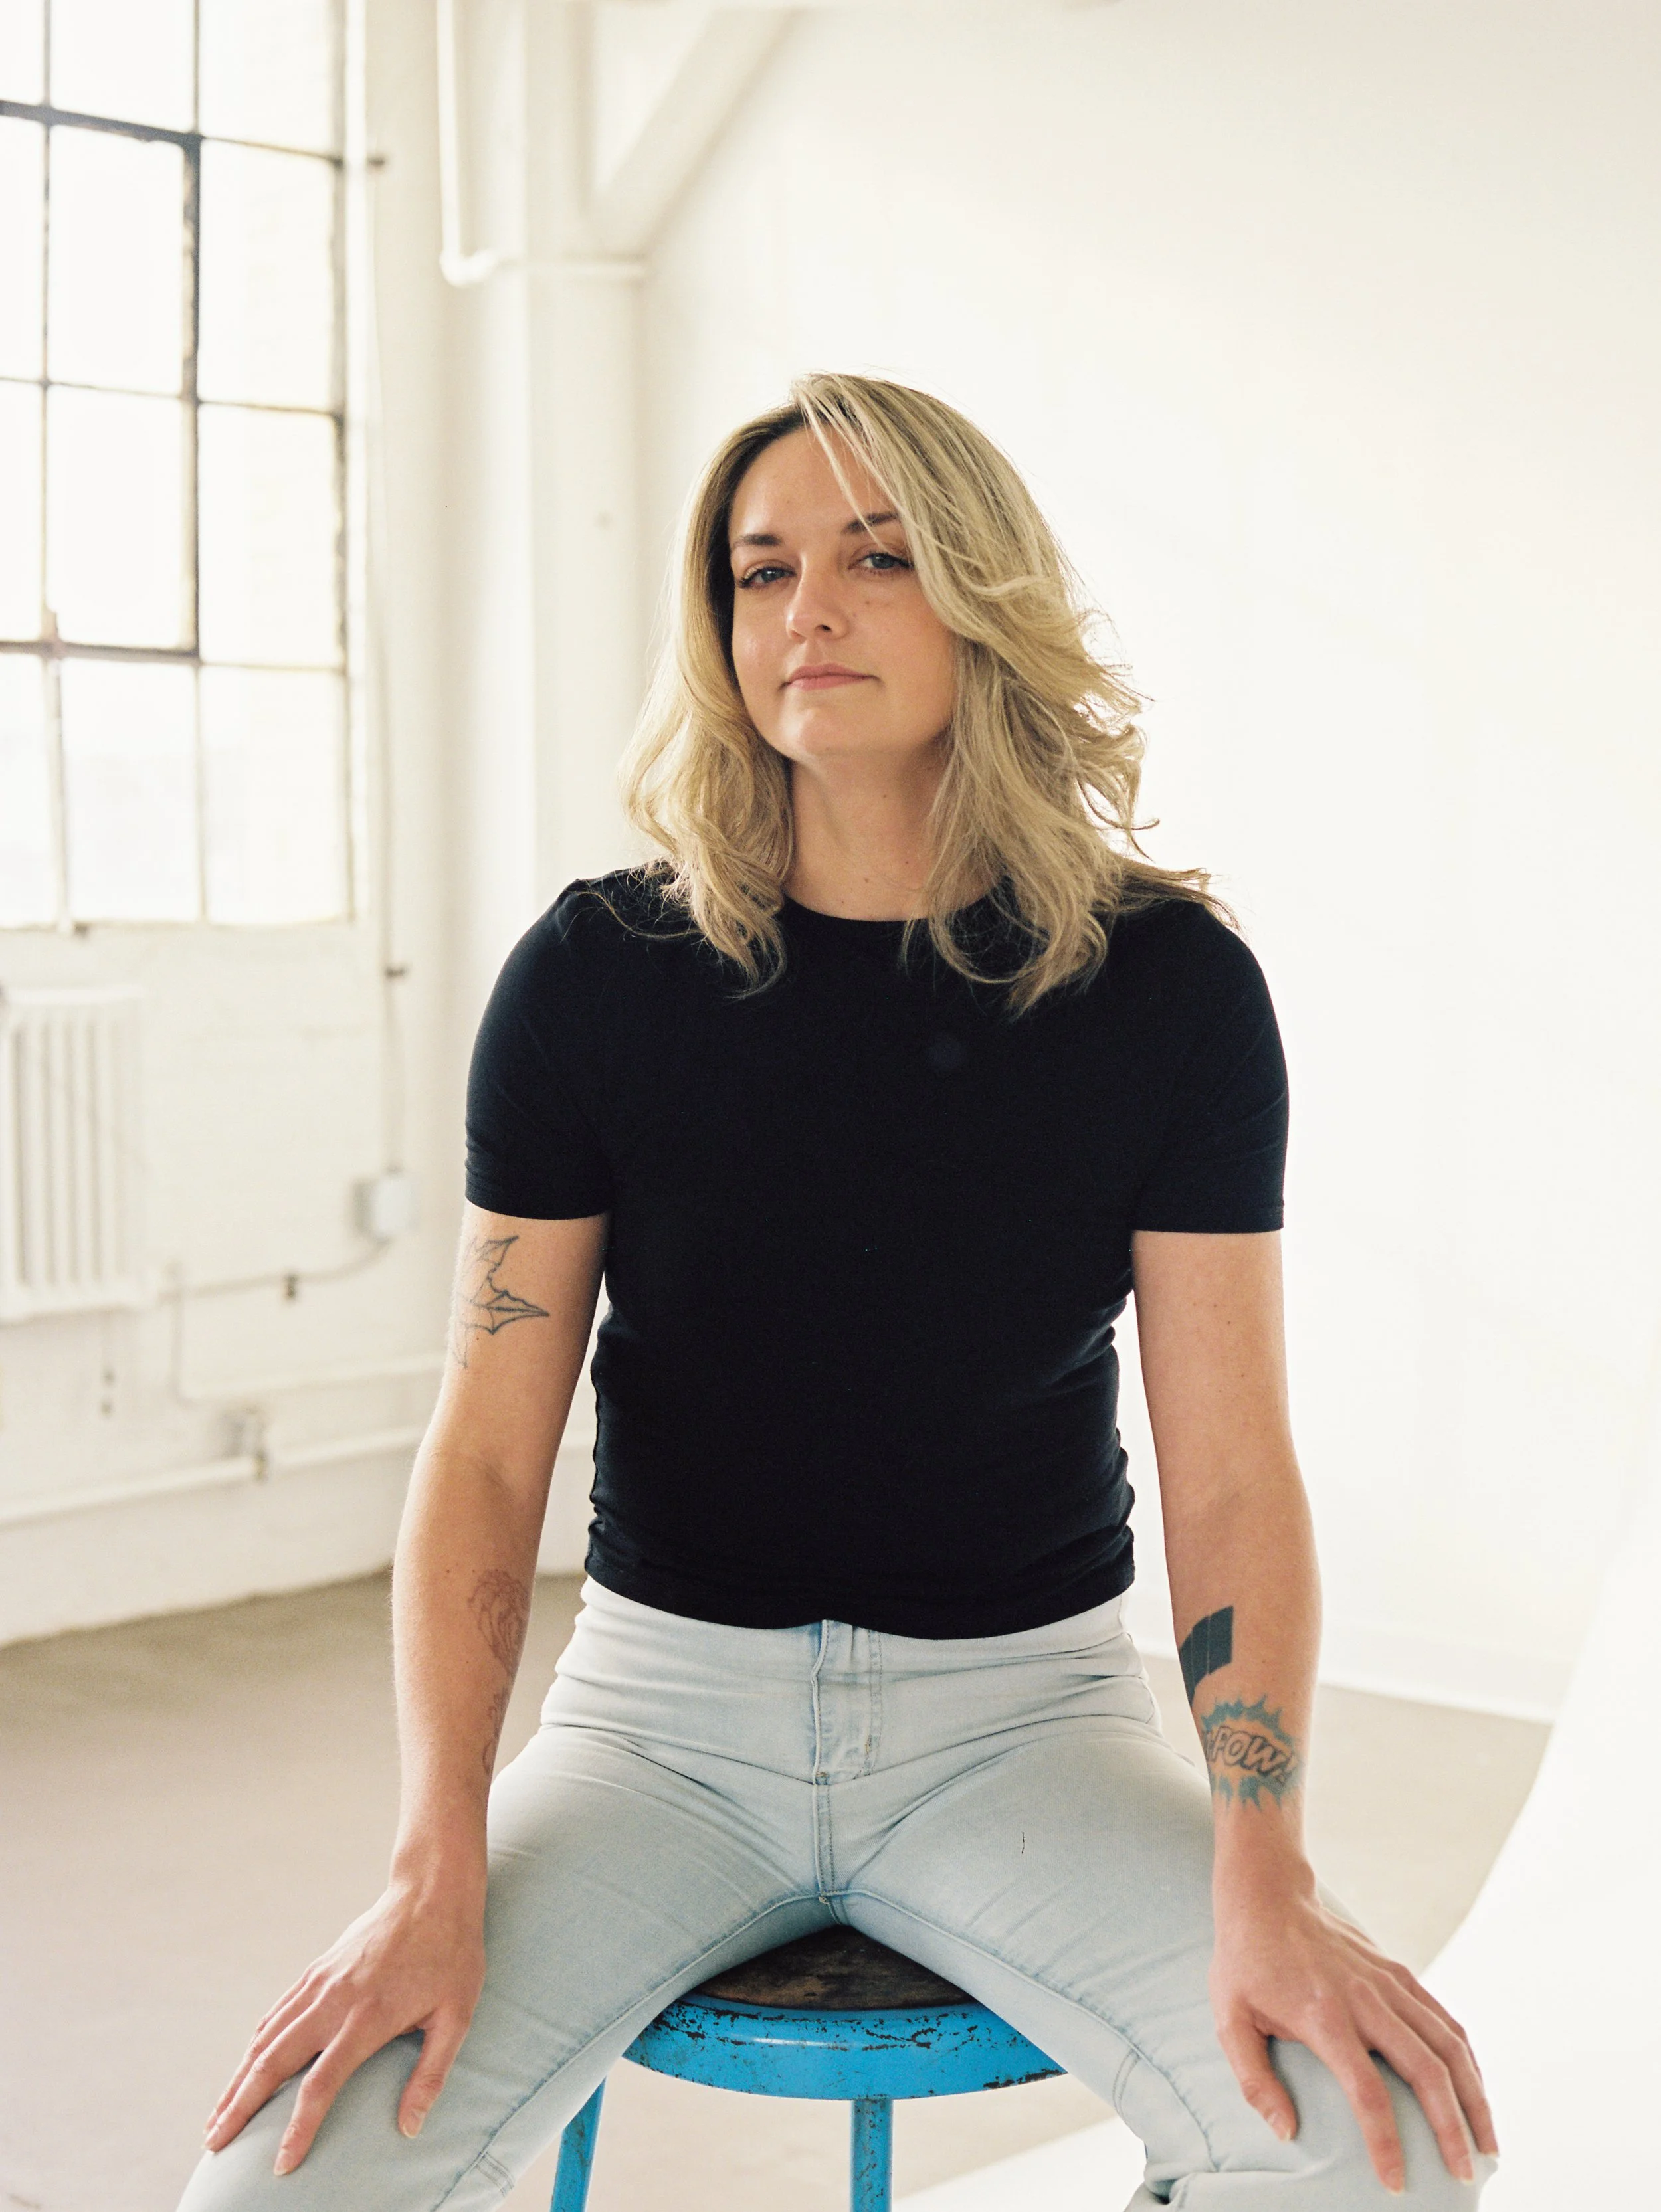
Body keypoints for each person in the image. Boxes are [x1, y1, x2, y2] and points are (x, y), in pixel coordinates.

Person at [183, 374, 1496, 2209]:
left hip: (1023, 1725)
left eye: (875, 558)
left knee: (1386, 2154)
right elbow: (485, 1450)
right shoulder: (593, 976)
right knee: (276, 2179)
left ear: (983, 596)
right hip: (659, 1727)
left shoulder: (1167, 990)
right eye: (758, 567)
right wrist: (431, 1858)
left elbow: (1226, 1472)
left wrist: (1262, 1865)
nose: (806, 608)